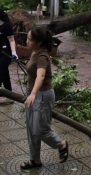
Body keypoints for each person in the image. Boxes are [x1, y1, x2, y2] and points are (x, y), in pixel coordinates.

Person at [20, 27, 68, 170]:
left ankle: (61, 144)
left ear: (39, 42)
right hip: (33, 93)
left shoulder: (42, 56)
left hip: (42, 95)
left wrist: (33, 93)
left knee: (40, 129)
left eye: (29, 39)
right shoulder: (34, 52)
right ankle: (35, 160)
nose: (26, 41)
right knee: (31, 129)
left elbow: (41, 76)